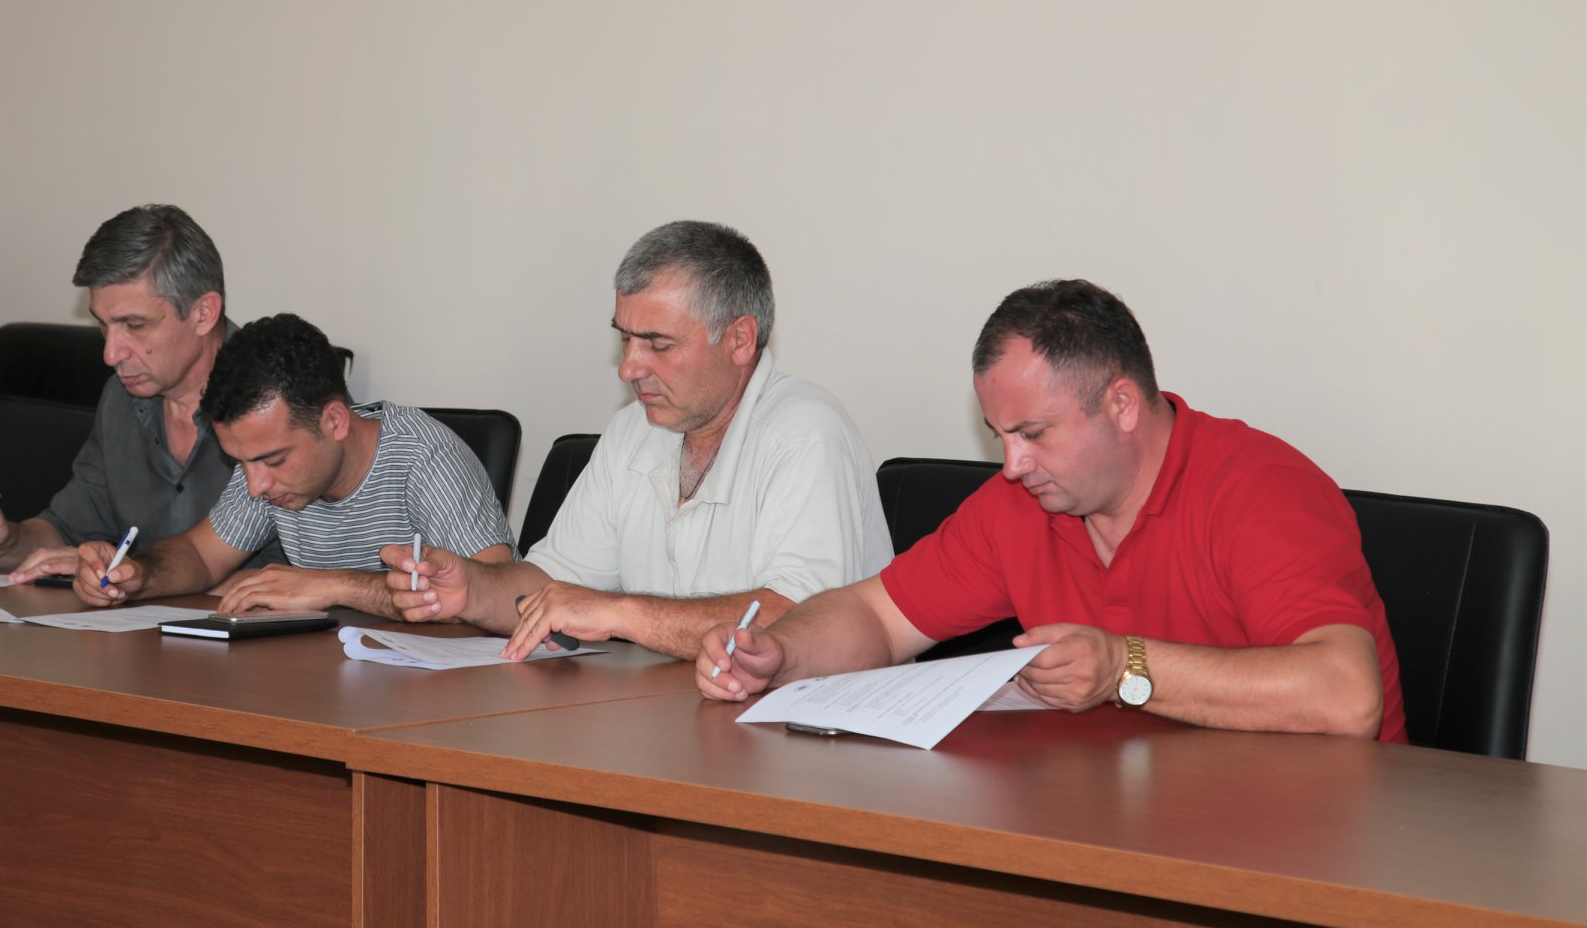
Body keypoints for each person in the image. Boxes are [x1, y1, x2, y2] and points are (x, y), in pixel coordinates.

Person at [698, 279, 1407, 743]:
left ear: (1121, 404)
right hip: (1121, 826)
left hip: (1306, 850)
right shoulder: (1022, 504)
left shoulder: (1259, 490)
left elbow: (1346, 698)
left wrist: (1123, 665)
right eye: (999, 436)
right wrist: (781, 654)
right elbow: (877, 617)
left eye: (1034, 433)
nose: (1011, 464)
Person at [384, 220, 893, 660]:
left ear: (739, 340)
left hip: (795, 729)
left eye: (658, 344)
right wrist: (471, 591)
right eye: (625, 338)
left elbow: (798, 621)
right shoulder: (633, 428)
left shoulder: (805, 433)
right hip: (662, 711)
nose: (628, 367)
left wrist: (620, 612)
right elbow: (552, 586)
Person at [72, 313, 513, 616]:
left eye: (273, 460)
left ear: (335, 421)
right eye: (241, 462)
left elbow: (497, 593)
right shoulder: (267, 469)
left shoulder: (426, 459)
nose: (255, 485)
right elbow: (201, 556)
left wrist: (333, 586)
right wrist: (138, 574)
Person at [0, 204, 260, 582]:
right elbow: (67, 531)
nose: (110, 354)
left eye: (134, 325)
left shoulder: (280, 400)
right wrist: (4, 543)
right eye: (103, 325)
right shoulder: (122, 397)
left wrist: (142, 575)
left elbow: (305, 573)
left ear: (204, 314)